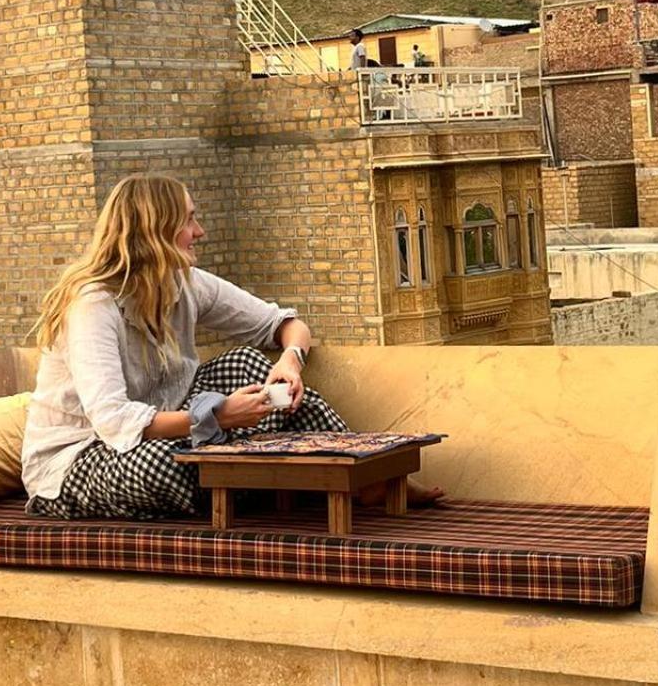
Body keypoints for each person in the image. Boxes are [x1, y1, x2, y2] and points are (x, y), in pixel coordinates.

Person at [22, 175, 442, 519]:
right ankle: (268, 479)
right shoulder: (94, 305)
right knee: (164, 469)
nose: (199, 232)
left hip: (172, 424)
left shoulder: (184, 284)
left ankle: (367, 479)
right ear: (157, 230)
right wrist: (219, 416)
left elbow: (284, 324)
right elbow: (114, 421)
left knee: (247, 365)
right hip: (81, 461)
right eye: (189, 220)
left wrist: (290, 364)